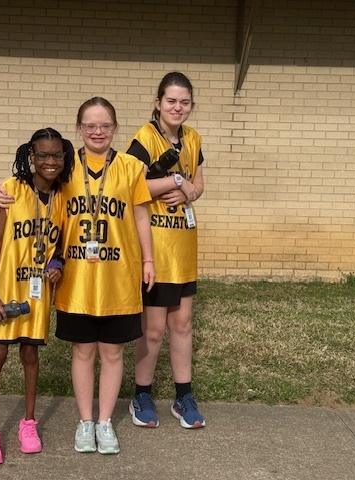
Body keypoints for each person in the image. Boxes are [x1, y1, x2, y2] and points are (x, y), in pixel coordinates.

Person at [0, 97, 155, 455]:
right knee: (82, 351)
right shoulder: (65, 169)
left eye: (105, 126)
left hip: (118, 276)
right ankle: (84, 421)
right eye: (90, 126)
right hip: (76, 278)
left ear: (115, 128)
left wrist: (148, 259)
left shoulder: (130, 166)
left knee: (112, 353)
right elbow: (28, 182)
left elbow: (141, 215)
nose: (98, 132)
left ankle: (105, 422)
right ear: (79, 128)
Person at [0, 128, 75, 465]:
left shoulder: (63, 196)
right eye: (43, 155)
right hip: (4, 284)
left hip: (35, 287)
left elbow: (60, 242)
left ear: (65, 157)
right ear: (30, 156)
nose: (50, 161)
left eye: (56, 155)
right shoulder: (9, 191)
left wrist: (58, 263)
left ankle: (28, 423)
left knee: (30, 354)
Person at [125, 72, 206, 429]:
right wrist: (173, 181)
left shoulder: (193, 138)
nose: (178, 107)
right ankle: (141, 393)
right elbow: (131, 185)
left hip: (184, 243)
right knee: (154, 329)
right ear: (158, 103)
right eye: (171, 100)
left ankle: (182, 395)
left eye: (184, 101)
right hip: (155, 246)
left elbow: (199, 183)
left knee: (183, 324)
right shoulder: (144, 138)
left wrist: (189, 189)